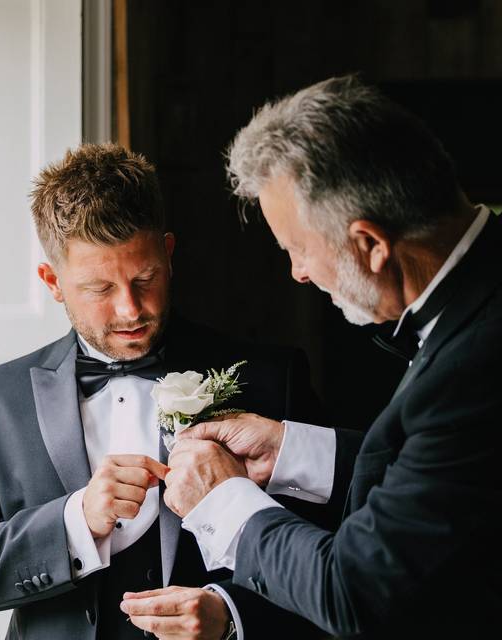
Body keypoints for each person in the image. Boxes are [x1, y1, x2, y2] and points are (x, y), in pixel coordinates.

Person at [0, 143, 326, 639]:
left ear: (170, 253)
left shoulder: (269, 378)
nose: (130, 310)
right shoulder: (0, 397)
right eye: (100, 289)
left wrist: (230, 614)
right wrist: (76, 520)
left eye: (146, 278)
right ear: (52, 281)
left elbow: (337, 565)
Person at [152, 75, 502, 638]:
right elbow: (453, 476)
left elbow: (357, 592)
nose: (299, 273)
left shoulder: (479, 360)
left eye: (298, 249)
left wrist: (225, 501)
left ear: (369, 245)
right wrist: (290, 451)